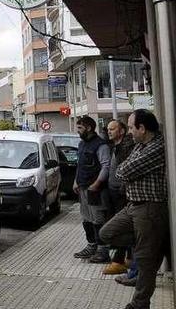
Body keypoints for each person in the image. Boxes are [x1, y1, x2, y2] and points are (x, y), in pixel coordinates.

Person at [100, 109, 169, 309]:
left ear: (142, 128)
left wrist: (126, 171)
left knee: (146, 261)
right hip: (133, 206)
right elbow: (122, 169)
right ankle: (153, 243)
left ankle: (140, 304)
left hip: (149, 207)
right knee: (107, 233)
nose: (129, 131)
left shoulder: (156, 147)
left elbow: (124, 170)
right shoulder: (140, 145)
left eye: (131, 127)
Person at [72, 115, 112, 264]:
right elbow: (80, 164)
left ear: (89, 128)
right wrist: (76, 181)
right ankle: (91, 245)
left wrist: (96, 184)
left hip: (96, 190)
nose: (78, 131)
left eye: (80, 128)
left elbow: (105, 166)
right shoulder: (82, 144)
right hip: (83, 188)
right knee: (86, 218)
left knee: (98, 219)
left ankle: (103, 249)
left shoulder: (101, 145)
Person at [103, 119, 135, 275]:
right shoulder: (114, 147)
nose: (109, 131)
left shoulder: (127, 147)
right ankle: (128, 257)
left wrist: (123, 190)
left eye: (112, 129)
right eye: (108, 129)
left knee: (122, 227)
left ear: (121, 131)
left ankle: (119, 259)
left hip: (123, 193)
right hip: (114, 191)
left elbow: (127, 172)